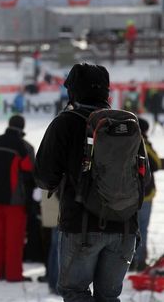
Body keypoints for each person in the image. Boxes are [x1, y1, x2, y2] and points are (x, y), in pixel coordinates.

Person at [34, 62, 143, 302]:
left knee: (76, 293)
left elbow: (43, 175)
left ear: (73, 90)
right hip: (125, 227)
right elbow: (141, 178)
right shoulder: (128, 124)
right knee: (109, 297)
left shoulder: (65, 122)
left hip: (81, 227)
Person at [0, 115, 35, 282]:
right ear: (22, 128)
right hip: (15, 202)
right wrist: (29, 201)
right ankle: (13, 274)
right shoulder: (24, 147)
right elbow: (29, 176)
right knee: (14, 240)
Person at [133, 117, 162, 271]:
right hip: (145, 195)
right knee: (142, 229)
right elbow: (156, 163)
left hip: (128, 195)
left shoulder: (124, 142)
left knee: (130, 229)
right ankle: (140, 262)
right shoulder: (143, 142)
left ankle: (128, 261)